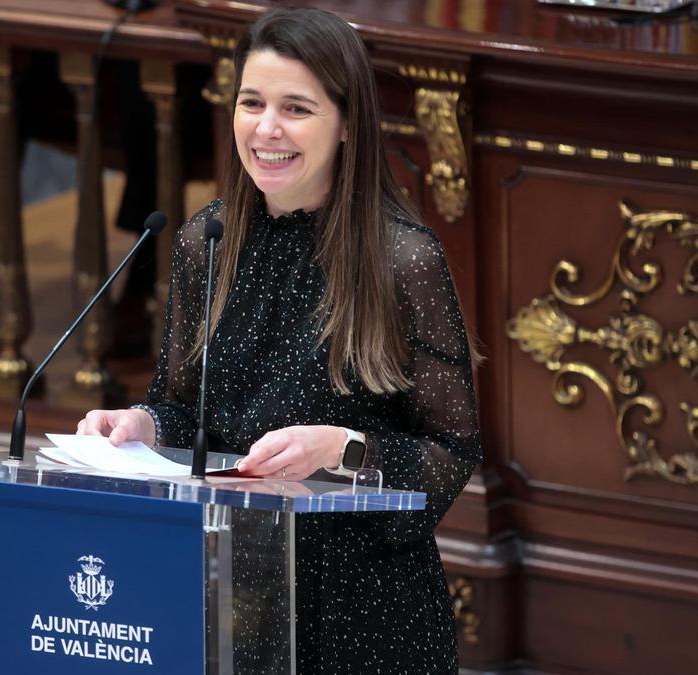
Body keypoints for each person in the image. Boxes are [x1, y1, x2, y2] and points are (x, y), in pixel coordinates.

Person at [77, 7, 481, 673]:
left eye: (296, 108)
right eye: (252, 102)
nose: (266, 128)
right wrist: (141, 423)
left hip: (363, 610)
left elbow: (452, 451)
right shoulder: (205, 243)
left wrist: (343, 449)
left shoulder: (403, 261)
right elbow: (184, 408)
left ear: (347, 124)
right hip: (231, 591)